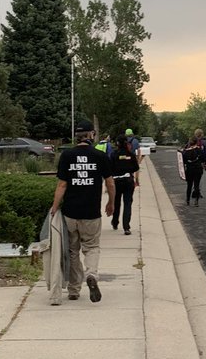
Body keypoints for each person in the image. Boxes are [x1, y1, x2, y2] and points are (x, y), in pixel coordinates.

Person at [51, 120, 115, 302]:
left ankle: (73, 290)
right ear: (91, 135)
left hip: (71, 212)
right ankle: (92, 274)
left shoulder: (67, 156)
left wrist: (54, 207)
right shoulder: (99, 156)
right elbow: (110, 182)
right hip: (91, 212)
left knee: (72, 251)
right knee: (92, 247)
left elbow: (62, 184)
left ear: (77, 136)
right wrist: (111, 203)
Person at [110, 133, 140, 235]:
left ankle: (115, 222)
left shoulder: (114, 154)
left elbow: (110, 168)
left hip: (116, 181)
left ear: (117, 143)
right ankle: (126, 227)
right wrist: (128, 169)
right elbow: (136, 167)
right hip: (128, 181)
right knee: (127, 203)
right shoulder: (130, 155)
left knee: (116, 202)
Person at [182, 131, 206, 206]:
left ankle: (187, 200)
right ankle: (196, 201)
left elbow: (182, 161)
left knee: (189, 185)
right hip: (198, 169)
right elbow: (205, 159)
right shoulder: (199, 150)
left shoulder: (185, 152)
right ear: (196, 142)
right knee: (196, 185)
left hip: (189, 170)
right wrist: (205, 164)